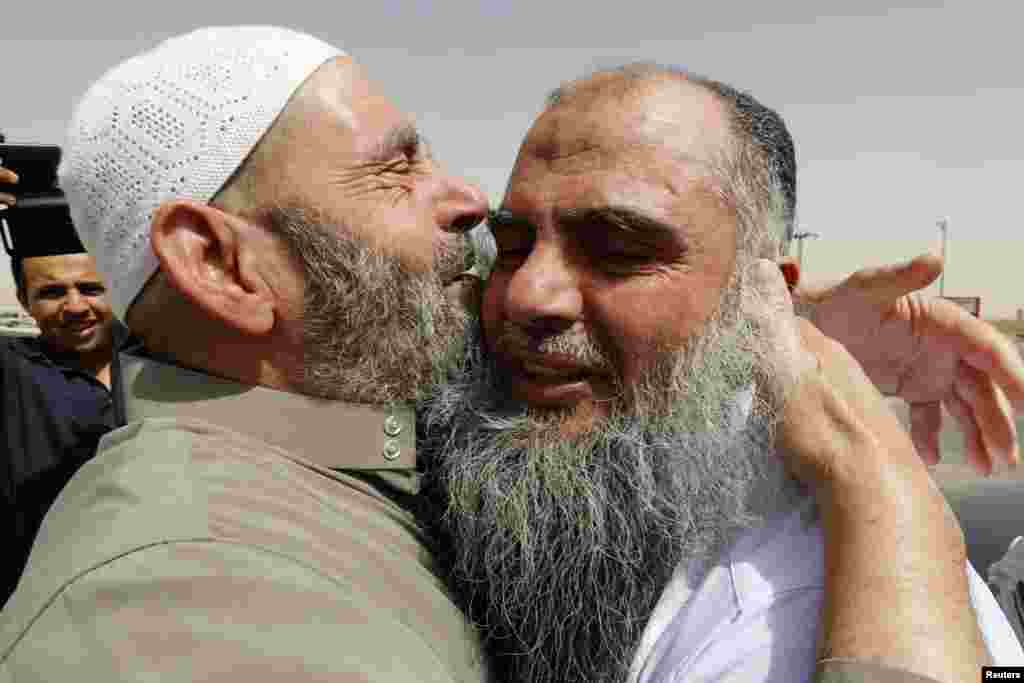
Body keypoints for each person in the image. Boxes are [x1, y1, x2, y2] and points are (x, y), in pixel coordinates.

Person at [0, 28, 1020, 683]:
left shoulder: (786, 593)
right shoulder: (198, 587)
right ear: (220, 265)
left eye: (619, 247)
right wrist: (867, 461)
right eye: (397, 167)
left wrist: (758, 359)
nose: (512, 279)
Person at [415, 63, 1024, 683]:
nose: (527, 294)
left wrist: (868, 467)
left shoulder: (781, 617)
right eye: (514, 246)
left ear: (758, 301)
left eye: (620, 250)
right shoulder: (476, 413)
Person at [0, 174, 118, 603]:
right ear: (23, 298)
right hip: (32, 605)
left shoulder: (168, 361)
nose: (74, 307)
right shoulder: (12, 370)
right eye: (51, 292)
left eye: (90, 288)